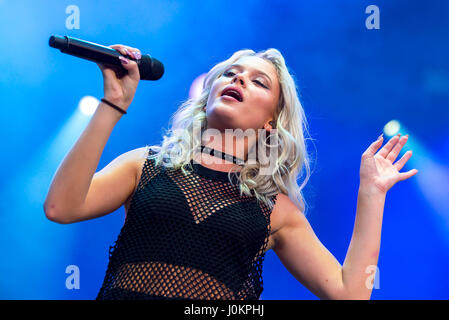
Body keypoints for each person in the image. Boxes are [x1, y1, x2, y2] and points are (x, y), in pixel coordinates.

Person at [44, 44, 418, 300]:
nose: (238, 80)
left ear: (272, 121)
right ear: (207, 95)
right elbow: (61, 207)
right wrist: (113, 103)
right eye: (231, 74)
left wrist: (372, 192)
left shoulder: (276, 210)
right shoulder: (144, 165)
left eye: (258, 81)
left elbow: (349, 292)